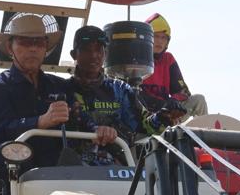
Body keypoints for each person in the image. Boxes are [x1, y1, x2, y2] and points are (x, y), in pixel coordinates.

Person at [0, 14, 112, 195]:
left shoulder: (60, 86)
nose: (33, 49)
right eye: (25, 43)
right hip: (3, 163)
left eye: (39, 43)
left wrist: (99, 129)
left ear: (46, 48)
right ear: (10, 47)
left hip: (52, 165)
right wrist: (39, 122)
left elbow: (79, 117)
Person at [65, 25, 166, 165]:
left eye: (99, 50)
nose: (94, 55)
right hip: (71, 172)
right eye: (87, 50)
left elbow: (145, 126)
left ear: (105, 53)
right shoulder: (62, 90)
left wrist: (165, 116)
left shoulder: (121, 89)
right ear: (74, 54)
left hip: (118, 174)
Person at [139, 13, 208, 118]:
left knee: (199, 99)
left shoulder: (168, 59)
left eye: (164, 38)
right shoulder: (136, 59)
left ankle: (203, 132)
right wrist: (161, 104)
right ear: (146, 38)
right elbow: (129, 93)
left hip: (166, 114)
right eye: (156, 36)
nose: (160, 41)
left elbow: (183, 92)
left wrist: (174, 100)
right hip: (143, 114)